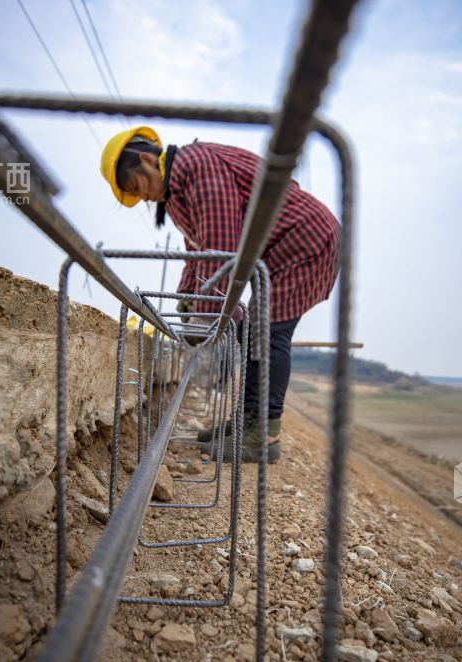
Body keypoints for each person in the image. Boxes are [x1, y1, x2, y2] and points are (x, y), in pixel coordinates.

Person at [99, 126, 340, 463]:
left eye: (138, 187)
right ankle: (248, 422)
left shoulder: (197, 167)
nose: (145, 198)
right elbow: (197, 251)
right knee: (255, 332)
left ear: (146, 159)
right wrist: (188, 297)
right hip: (282, 248)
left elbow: (222, 242)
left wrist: (205, 310)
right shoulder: (179, 193)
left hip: (304, 239)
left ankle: (263, 436)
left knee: (269, 333)